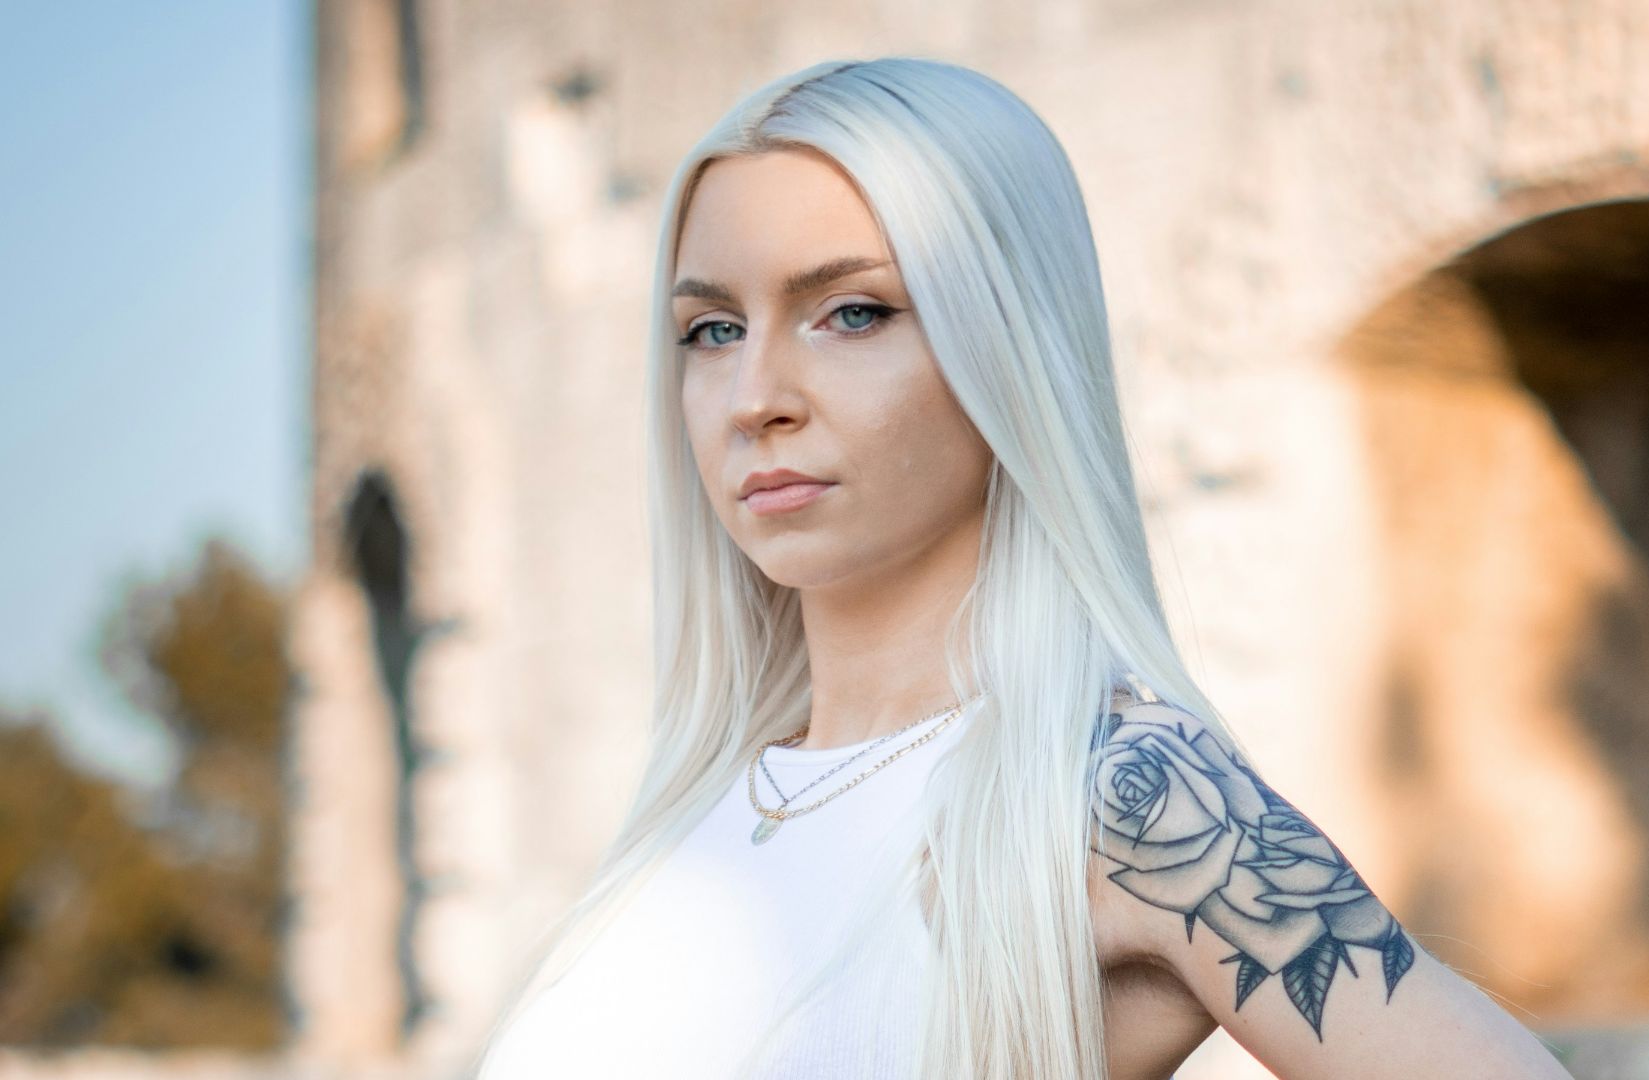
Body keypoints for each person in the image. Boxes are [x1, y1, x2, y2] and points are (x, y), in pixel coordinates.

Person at [471, 56, 1575, 1080]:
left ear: (1007, 341)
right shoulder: (699, 804)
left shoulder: (1123, 796)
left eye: (852, 312)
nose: (755, 397)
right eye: (713, 329)